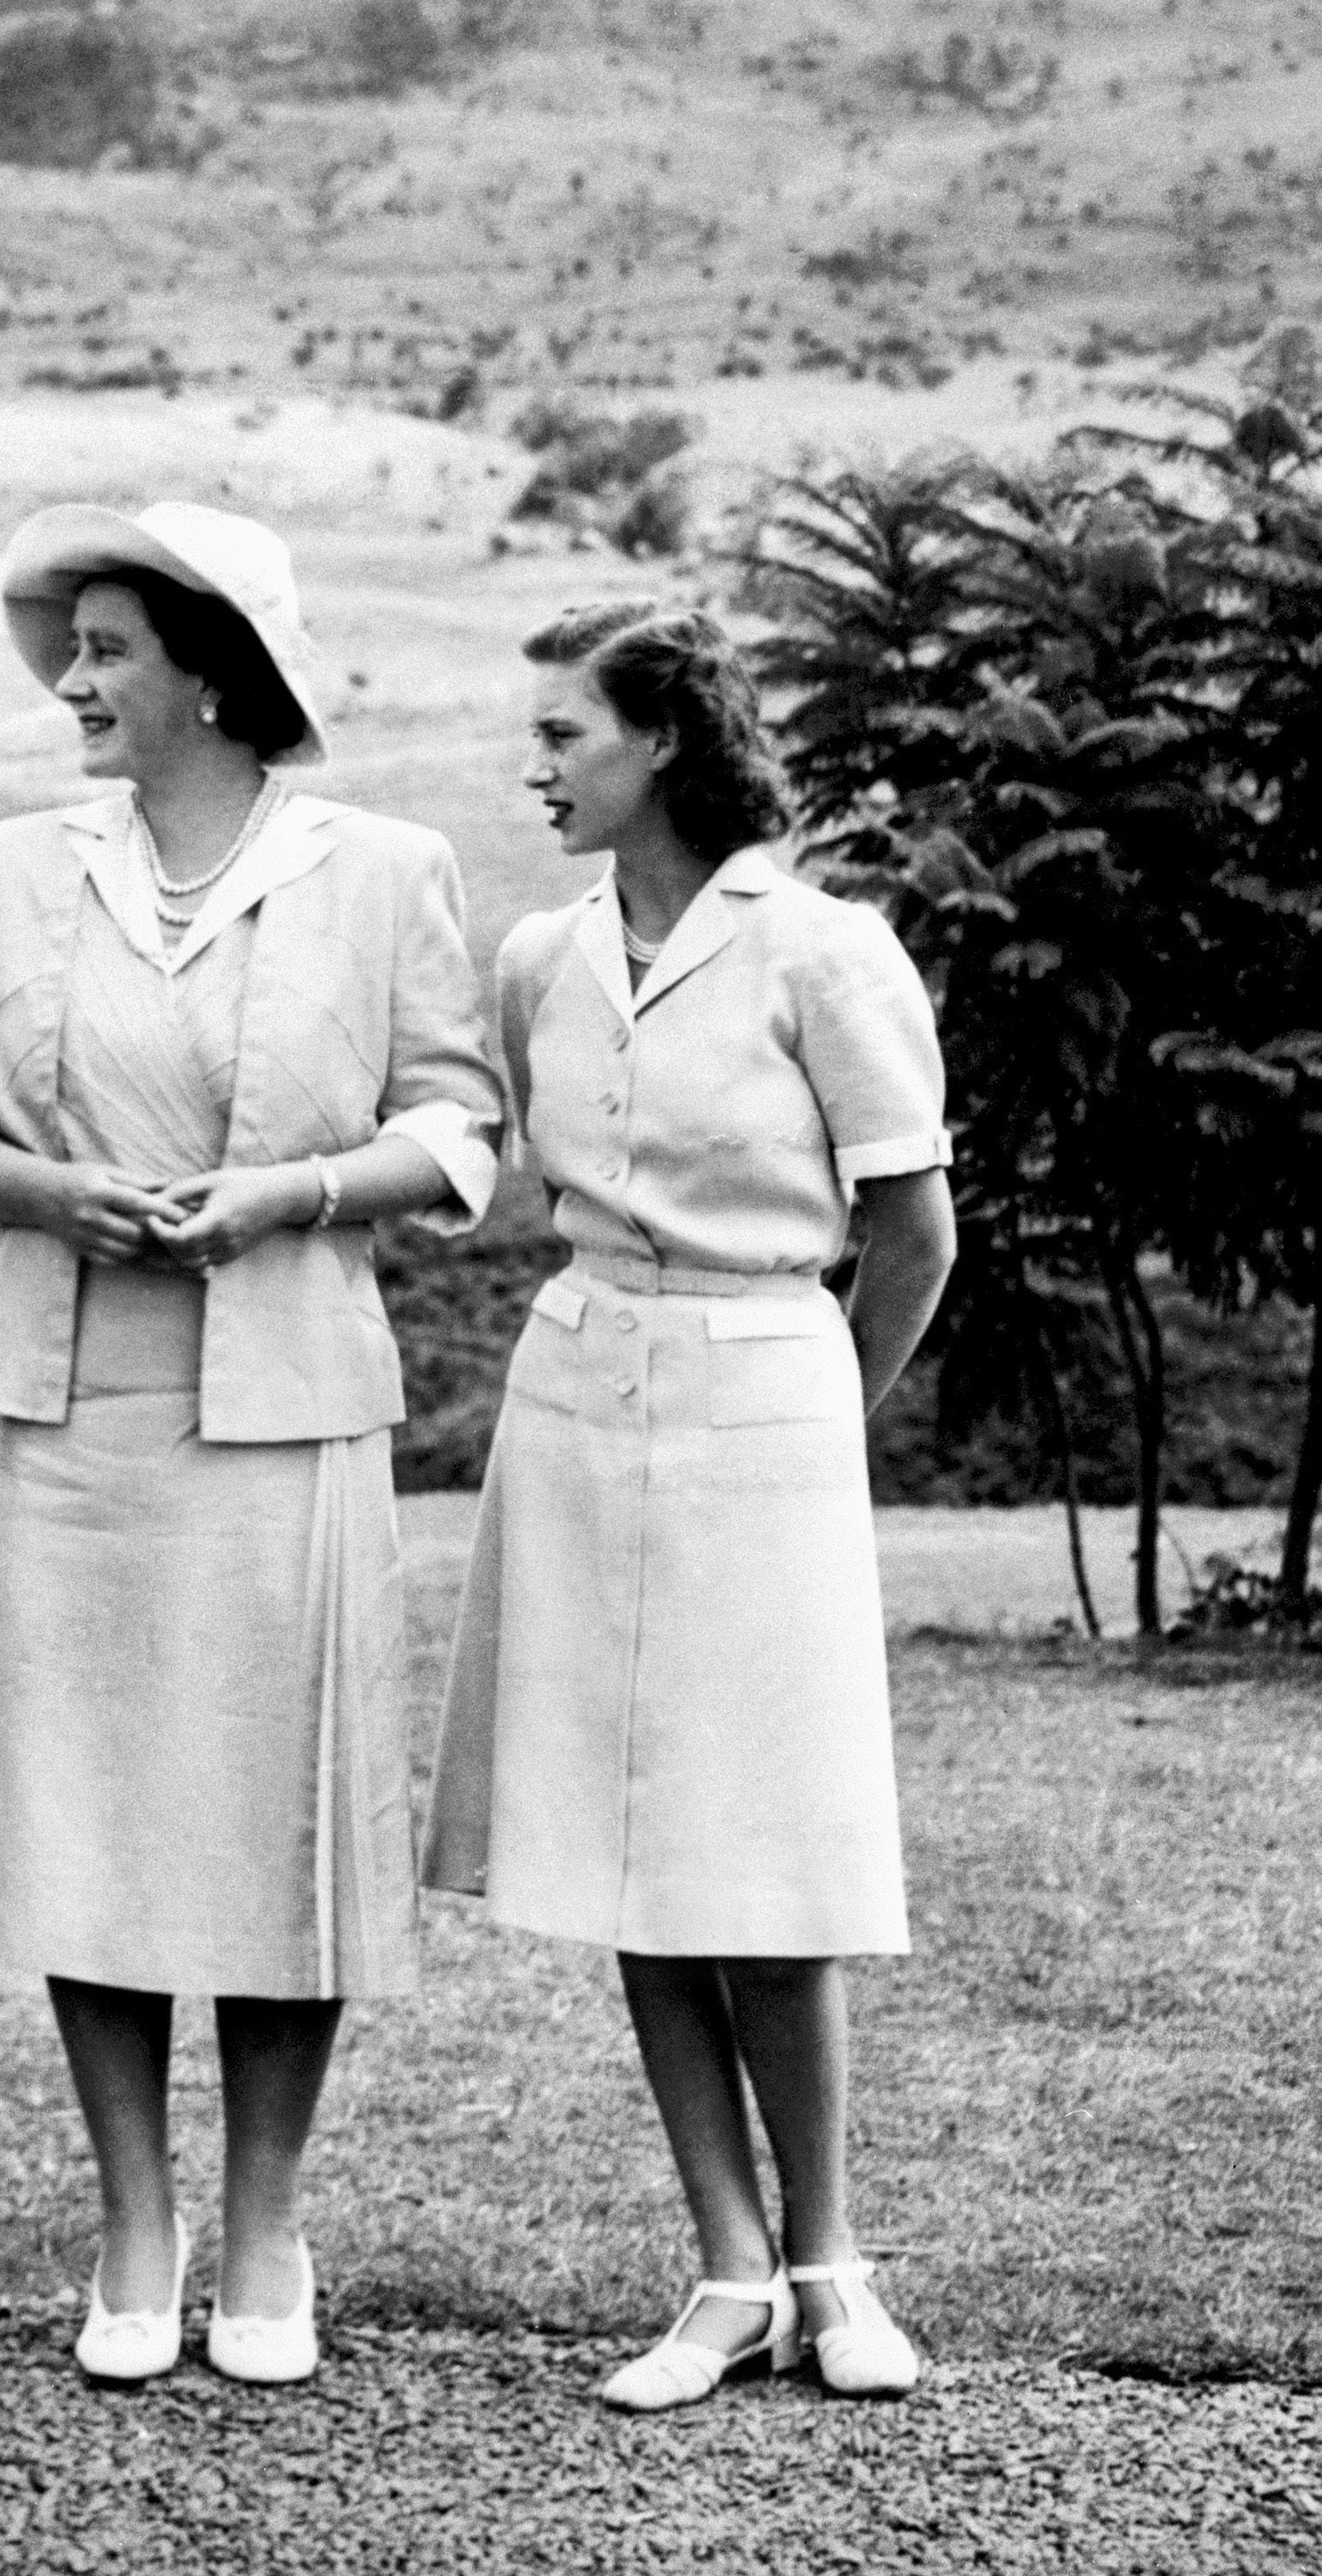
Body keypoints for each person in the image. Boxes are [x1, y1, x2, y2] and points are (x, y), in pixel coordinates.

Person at [0, 503, 499, 2390]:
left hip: (284, 1404)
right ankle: (131, 2225)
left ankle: (265, 2226)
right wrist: (55, 1193)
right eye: (69, 649)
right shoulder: (5, 869)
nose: (71, 682)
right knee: (90, 1811)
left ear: (210, 669)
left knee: (276, 1823)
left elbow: (461, 1127)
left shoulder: (382, 870)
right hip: (67, 1409)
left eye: (105, 649)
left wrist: (284, 1194)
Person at [423, 599, 957, 2412]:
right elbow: (522, 1164)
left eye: (563, 732)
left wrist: (809, 1414)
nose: (535, 764)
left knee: (769, 1851)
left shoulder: (822, 950)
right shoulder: (534, 959)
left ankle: (830, 2263)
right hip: (578, 1392)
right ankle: (724, 2268)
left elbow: (909, 1236)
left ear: (662, 740)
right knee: (628, 1842)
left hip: (767, 1404)